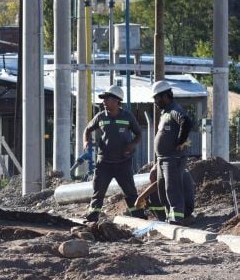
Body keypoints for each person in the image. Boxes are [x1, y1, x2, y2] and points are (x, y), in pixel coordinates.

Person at [82, 85, 143, 222]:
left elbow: (139, 134)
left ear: (116, 101)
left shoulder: (127, 116)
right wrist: (86, 142)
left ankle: (139, 217)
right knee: (98, 192)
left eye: (106, 99)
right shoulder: (100, 116)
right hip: (104, 163)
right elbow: (87, 129)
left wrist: (132, 144)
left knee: (130, 192)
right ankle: (92, 217)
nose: (103, 102)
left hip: (123, 162)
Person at [151, 80, 194, 223]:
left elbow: (186, 122)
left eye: (156, 98)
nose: (155, 102)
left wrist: (180, 141)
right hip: (162, 159)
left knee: (172, 188)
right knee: (162, 189)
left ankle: (177, 218)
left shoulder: (175, 109)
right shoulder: (165, 113)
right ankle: (169, 216)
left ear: (164, 96)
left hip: (173, 158)